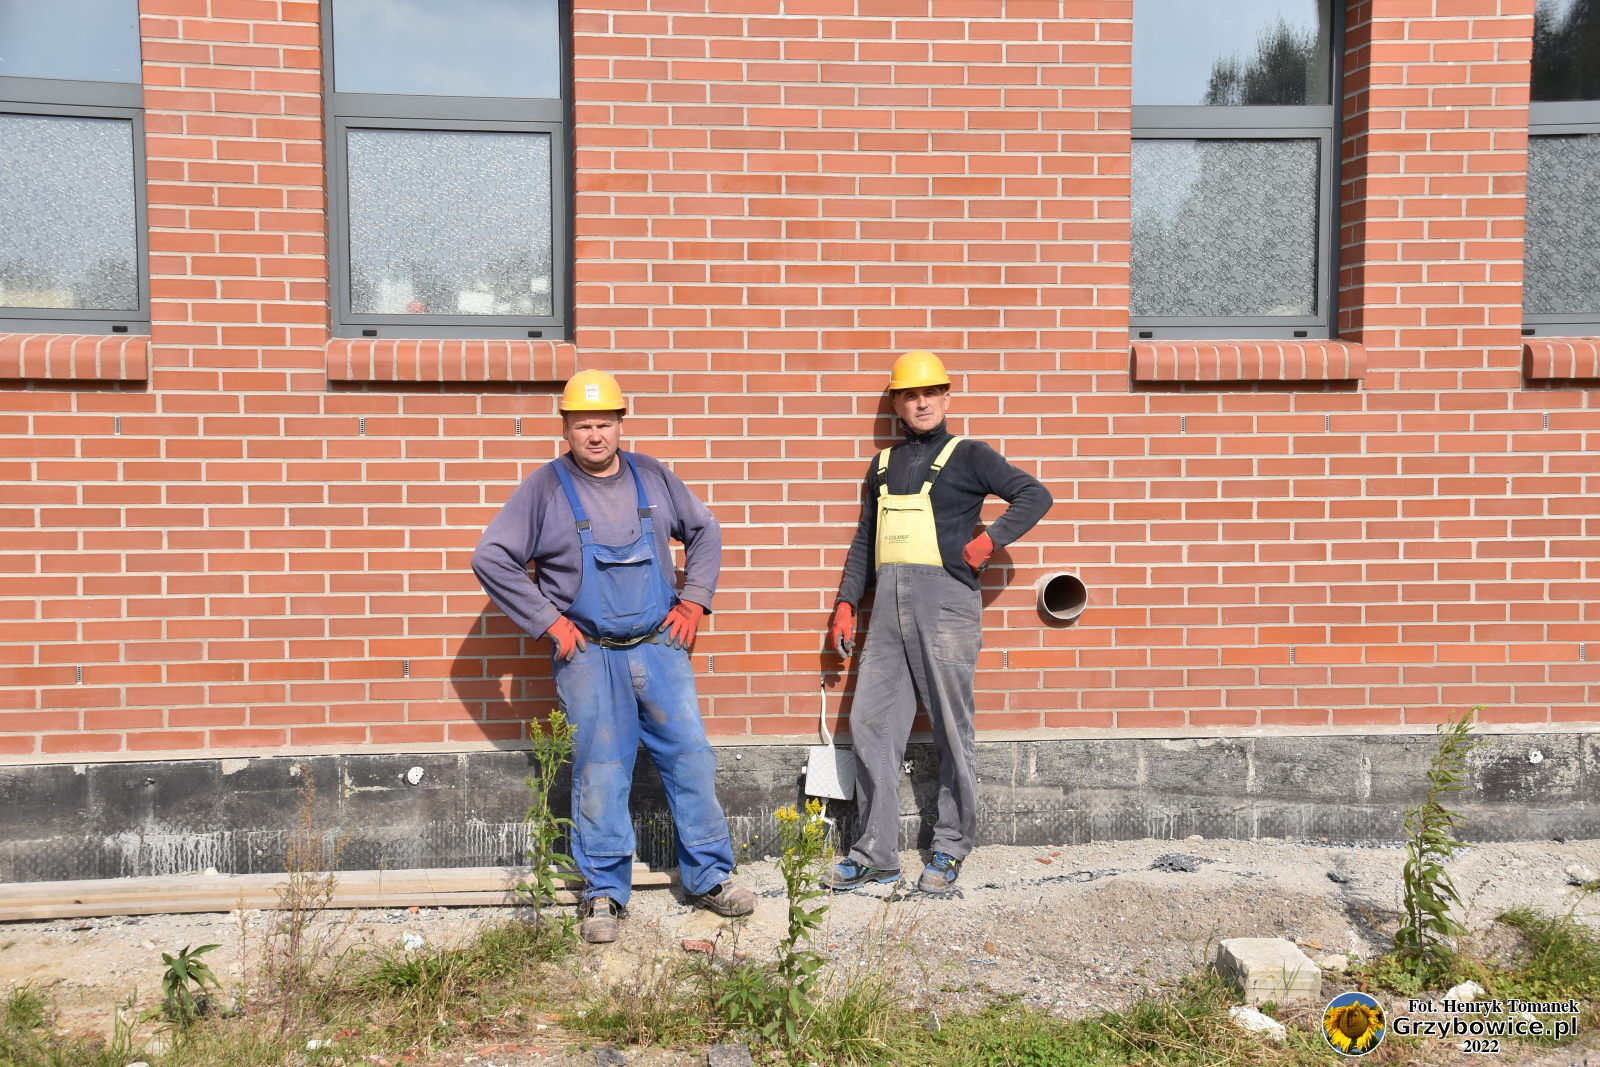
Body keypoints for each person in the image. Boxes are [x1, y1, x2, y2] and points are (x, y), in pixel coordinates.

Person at [472, 369, 754, 943]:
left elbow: (705, 531)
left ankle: (710, 877)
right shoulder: (544, 489)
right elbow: (491, 557)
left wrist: (695, 600)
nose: (595, 435)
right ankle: (602, 892)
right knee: (600, 772)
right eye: (583, 426)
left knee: (692, 759)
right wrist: (549, 622)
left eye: (604, 423)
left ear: (621, 424)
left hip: (660, 646)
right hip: (589, 655)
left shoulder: (653, 476)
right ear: (566, 429)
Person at [822, 351, 1053, 894]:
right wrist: (847, 603)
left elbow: (1034, 495)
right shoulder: (882, 466)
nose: (921, 403)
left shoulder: (969, 454)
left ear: (946, 397)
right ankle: (876, 854)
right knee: (871, 725)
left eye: (930, 393)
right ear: (897, 405)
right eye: (910, 395)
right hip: (886, 613)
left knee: (951, 727)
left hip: (946, 605)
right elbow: (865, 541)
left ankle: (950, 847)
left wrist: (988, 542)